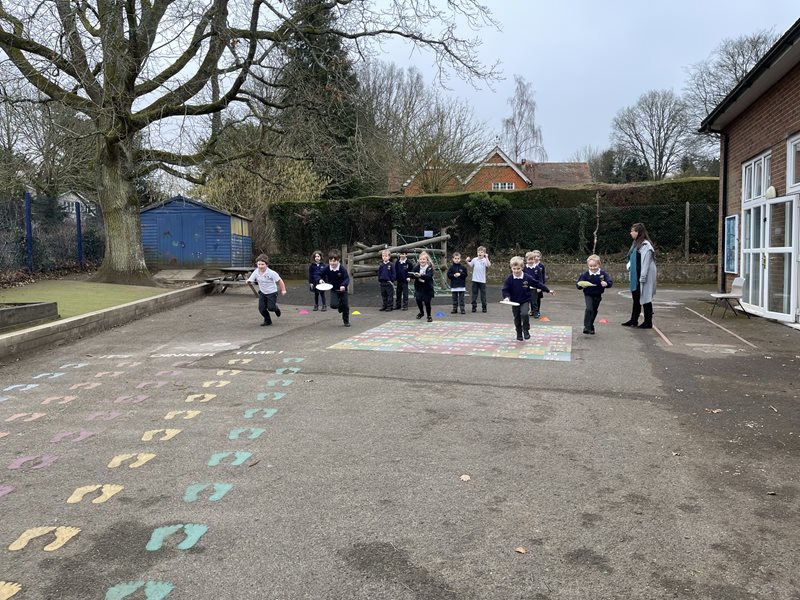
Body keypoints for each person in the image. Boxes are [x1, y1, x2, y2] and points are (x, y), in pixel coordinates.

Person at [502, 256, 554, 341]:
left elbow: (537, 283)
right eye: (514, 269)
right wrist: (507, 297)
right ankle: (519, 333)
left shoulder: (527, 277)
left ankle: (526, 329)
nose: (516, 271)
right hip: (514, 302)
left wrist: (548, 290)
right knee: (517, 318)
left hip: (525, 300)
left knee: (524, 314)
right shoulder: (509, 278)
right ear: (511, 268)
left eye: (518, 269)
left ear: (522, 268)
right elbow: (505, 289)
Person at [622, 223, 657, 329]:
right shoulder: (635, 244)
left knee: (646, 298)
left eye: (632, 231)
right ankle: (634, 320)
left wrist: (643, 277)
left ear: (638, 232)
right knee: (636, 297)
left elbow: (646, 263)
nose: (630, 233)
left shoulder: (646, 245)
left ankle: (648, 321)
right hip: (635, 275)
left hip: (643, 276)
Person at [577, 254, 612, 335]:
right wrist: (581, 285)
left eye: (595, 266)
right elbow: (578, 284)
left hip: (598, 295)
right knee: (589, 309)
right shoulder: (585, 274)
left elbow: (610, 282)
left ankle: (591, 325)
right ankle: (587, 327)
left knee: (594, 310)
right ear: (588, 265)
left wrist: (606, 284)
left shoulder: (603, 274)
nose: (593, 268)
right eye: (591, 266)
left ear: (599, 264)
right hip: (588, 294)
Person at [247, 254, 287, 326]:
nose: (260, 266)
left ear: (267, 265)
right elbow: (251, 278)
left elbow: (279, 281)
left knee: (271, 308)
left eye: (262, 264)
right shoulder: (256, 271)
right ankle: (268, 320)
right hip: (262, 292)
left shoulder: (271, 273)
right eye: (259, 264)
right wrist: (249, 281)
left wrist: (283, 290)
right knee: (261, 308)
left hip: (272, 292)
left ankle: (276, 308)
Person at [318, 249, 351, 327]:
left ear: (338, 260)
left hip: (343, 290)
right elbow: (319, 274)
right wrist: (320, 279)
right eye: (330, 261)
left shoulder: (342, 269)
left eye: (334, 261)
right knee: (333, 305)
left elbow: (347, 278)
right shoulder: (327, 268)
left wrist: (343, 285)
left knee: (345, 306)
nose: (332, 263)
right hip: (334, 289)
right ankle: (340, 306)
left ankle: (346, 321)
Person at [411, 250, 435, 322]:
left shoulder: (430, 268)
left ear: (427, 260)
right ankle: (421, 312)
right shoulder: (417, 267)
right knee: (418, 300)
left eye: (424, 259)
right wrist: (414, 275)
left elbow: (429, 276)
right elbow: (412, 274)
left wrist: (420, 275)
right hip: (419, 287)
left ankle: (429, 316)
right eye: (421, 259)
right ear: (418, 260)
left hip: (427, 288)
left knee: (427, 302)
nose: (422, 261)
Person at [466, 246, 491, 313]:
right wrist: (467, 261)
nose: (480, 253)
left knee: (483, 295)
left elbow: (488, 265)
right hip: (475, 280)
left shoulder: (485, 260)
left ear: (484, 253)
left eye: (482, 252)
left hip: (482, 281)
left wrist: (487, 257)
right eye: (478, 252)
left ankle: (484, 307)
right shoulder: (474, 259)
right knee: (474, 294)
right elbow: (471, 265)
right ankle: (474, 306)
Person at [524, 250, 546, 319]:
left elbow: (540, 278)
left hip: (534, 288)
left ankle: (535, 312)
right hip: (526, 287)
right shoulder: (524, 268)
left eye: (532, 259)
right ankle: (527, 311)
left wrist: (539, 287)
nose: (530, 261)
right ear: (526, 260)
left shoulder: (537, 268)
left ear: (534, 260)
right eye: (529, 259)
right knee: (526, 301)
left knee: (534, 301)